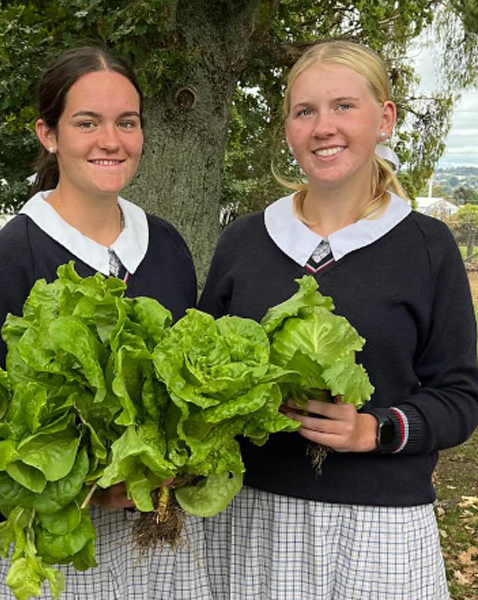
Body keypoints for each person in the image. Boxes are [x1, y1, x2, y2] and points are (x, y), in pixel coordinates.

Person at [198, 40, 478, 599]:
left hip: (379, 526)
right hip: (250, 519)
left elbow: (461, 396)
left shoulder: (426, 247)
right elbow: (201, 368)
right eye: (305, 111)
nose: (323, 127)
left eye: (344, 106)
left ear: (385, 119)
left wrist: (374, 429)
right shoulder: (244, 242)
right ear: (288, 131)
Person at [0, 46, 216, 599]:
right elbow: (0, 422)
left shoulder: (166, 245)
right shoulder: (15, 254)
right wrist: (87, 485)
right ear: (49, 134)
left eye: (126, 122)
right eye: (87, 123)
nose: (111, 140)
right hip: (62, 545)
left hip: (166, 536)